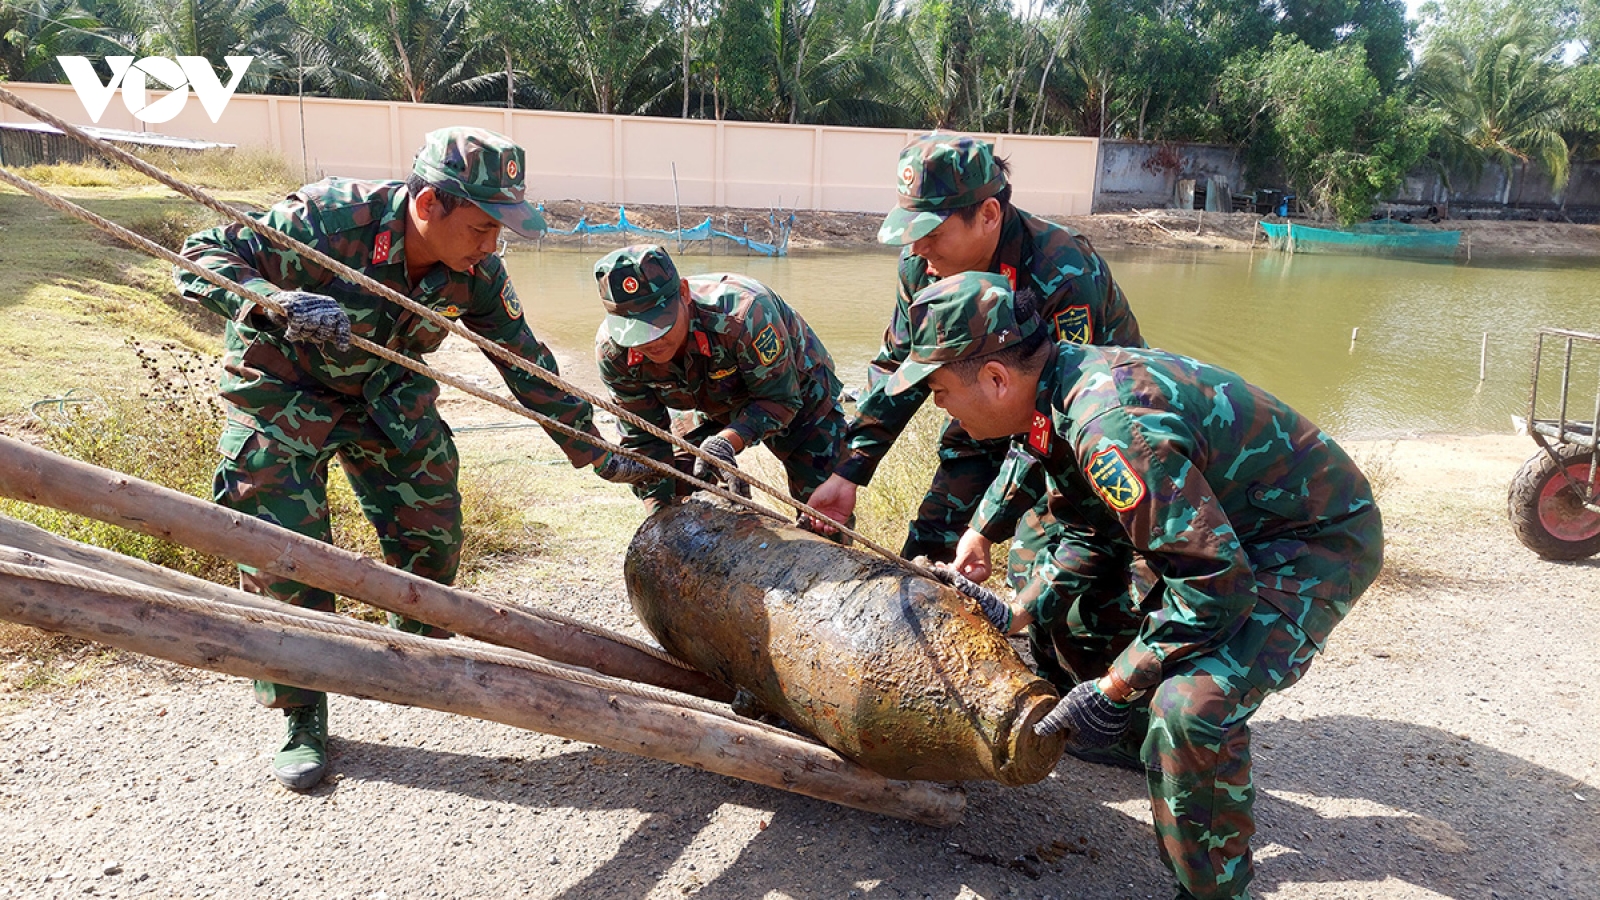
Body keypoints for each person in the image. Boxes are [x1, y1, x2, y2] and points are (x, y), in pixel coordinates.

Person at [175, 126, 650, 792]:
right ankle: (301, 708)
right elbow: (200, 252)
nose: (492, 245)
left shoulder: (477, 272)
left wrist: (594, 449)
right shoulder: (327, 219)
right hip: (285, 391)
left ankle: (404, 649)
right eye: (482, 227)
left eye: (500, 231)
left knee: (433, 536)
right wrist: (274, 301)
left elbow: (524, 361)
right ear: (429, 205)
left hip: (384, 394)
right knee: (281, 552)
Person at [897, 271, 1384, 900]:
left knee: (1189, 709)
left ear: (995, 379)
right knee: (1075, 592)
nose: (939, 406)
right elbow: (1090, 529)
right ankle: (1141, 750)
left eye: (939, 390)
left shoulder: (1111, 427)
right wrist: (1018, 612)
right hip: (1227, 535)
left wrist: (1114, 685)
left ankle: (1215, 893)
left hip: (1311, 543)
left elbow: (1214, 585)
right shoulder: (1055, 393)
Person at [802, 131, 1148, 707]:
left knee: (1057, 569)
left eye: (932, 231)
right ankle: (919, 685)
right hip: (981, 408)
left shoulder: (1062, 272)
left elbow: (1054, 410)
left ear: (989, 215)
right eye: (912, 231)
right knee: (931, 547)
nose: (918, 248)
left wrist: (988, 525)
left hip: (1077, 427)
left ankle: (1107, 699)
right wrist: (850, 470)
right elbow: (901, 366)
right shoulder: (924, 264)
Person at [592, 244, 846, 514]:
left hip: (795, 389)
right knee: (677, 489)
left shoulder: (745, 314)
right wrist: (660, 516)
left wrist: (725, 442)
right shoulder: (614, 352)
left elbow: (781, 399)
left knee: (823, 510)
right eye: (635, 332)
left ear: (684, 293)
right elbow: (645, 439)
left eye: (659, 324)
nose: (650, 341)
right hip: (707, 400)